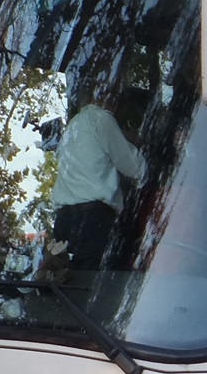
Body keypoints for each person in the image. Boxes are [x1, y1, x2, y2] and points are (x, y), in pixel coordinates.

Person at [50, 100, 147, 270]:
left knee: (70, 286)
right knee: (95, 287)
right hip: (92, 222)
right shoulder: (99, 119)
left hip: (63, 223)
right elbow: (134, 167)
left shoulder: (71, 129)